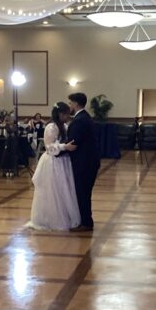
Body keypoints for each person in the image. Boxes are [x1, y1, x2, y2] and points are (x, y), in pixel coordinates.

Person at [27, 102, 80, 231]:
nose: (68, 116)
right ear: (60, 114)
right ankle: (52, 218)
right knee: (53, 190)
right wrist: (64, 146)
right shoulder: (51, 127)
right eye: (66, 114)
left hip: (63, 161)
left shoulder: (64, 126)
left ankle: (66, 216)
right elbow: (49, 147)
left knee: (64, 189)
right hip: (53, 162)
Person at [63, 92, 100, 231]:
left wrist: (57, 150)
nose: (69, 106)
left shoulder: (79, 120)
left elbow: (73, 143)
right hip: (89, 161)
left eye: (70, 103)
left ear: (76, 104)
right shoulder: (85, 117)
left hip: (84, 163)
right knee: (85, 192)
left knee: (82, 193)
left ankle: (86, 223)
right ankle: (86, 220)